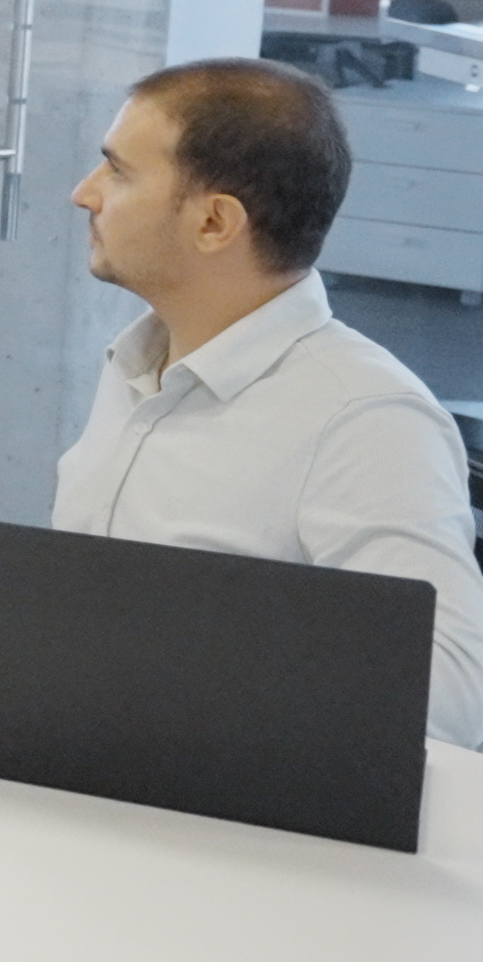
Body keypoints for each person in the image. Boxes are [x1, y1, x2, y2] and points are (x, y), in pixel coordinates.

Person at [51, 58, 483, 749]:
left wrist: (185, 671)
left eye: (118, 172)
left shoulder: (366, 418)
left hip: (214, 792)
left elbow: (450, 699)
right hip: (89, 756)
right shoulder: (141, 362)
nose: (85, 193)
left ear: (215, 222)